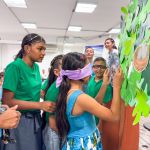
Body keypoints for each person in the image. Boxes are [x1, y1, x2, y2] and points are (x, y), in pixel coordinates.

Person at [55, 52, 124, 149]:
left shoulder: (70, 92)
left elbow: (93, 104)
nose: (91, 72)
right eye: (88, 68)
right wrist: (117, 86)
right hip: (84, 144)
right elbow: (114, 116)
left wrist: (104, 84)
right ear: (79, 72)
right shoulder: (81, 98)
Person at [1, 33, 55, 150]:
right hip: (19, 119)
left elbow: (33, 90)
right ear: (27, 48)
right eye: (40, 49)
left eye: (44, 49)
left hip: (35, 119)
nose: (43, 53)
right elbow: (7, 101)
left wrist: (49, 95)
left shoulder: (35, 67)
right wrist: (40, 105)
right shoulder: (15, 67)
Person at [42, 54, 63, 150]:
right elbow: (52, 120)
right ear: (56, 72)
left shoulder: (61, 85)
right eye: (65, 68)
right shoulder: (57, 89)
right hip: (54, 130)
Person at [86, 57, 113, 126]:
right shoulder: (90, 79)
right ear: (92, 68)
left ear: (106, 69)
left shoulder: (107, 86)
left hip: (95, 120)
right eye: (96, 67)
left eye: (102, 67)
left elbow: (104, 107)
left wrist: (100, 126)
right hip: (86, 116)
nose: (99, 69)